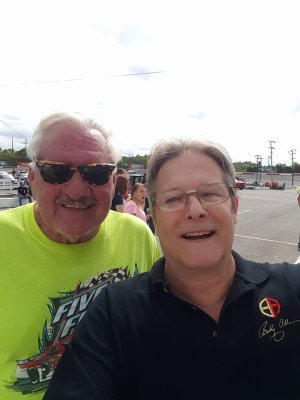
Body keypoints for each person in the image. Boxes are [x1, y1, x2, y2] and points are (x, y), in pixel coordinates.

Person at [44, 137, 300, 400]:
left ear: (234, 207)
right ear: (152, 213)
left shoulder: (294, 287)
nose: (195, 210)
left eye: (210, 194)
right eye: (173, 198)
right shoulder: (113, 315)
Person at [0, 112, 161, 400]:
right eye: (56, 171)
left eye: (96, 172)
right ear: (33, 177)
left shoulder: (137, 236)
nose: (76, 189)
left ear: (112, 180)